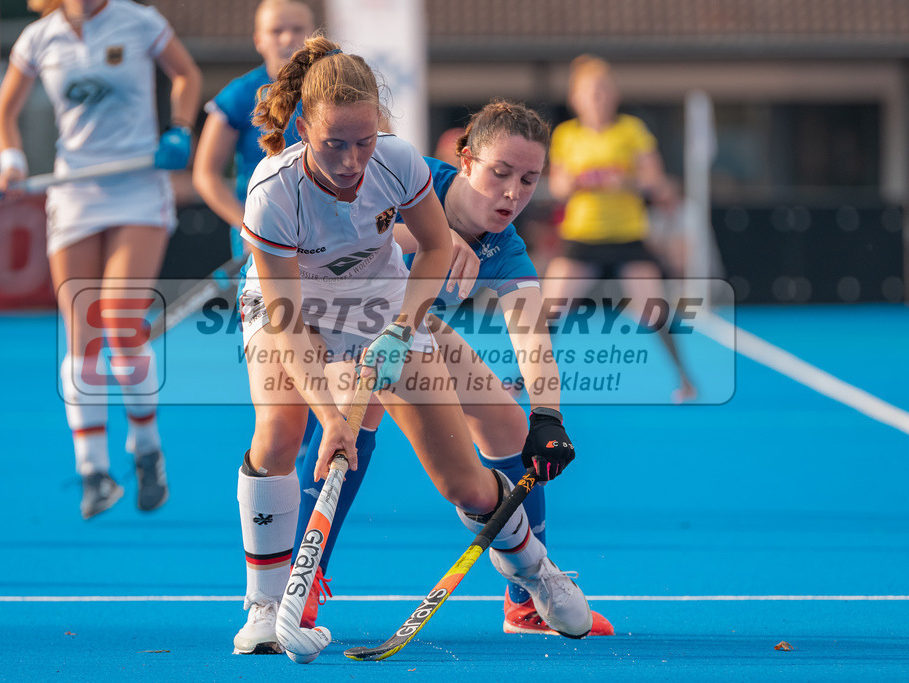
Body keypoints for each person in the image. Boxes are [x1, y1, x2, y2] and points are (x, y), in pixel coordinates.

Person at [232, 34, 592, 655]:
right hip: (289, 305)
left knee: (468, 484)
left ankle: (533, 573)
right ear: (303, 130)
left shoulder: (400, 165)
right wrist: (331, 413)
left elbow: (435, 251)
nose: (350, 162)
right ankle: (271, 603)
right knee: (284, 430)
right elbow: (289, 321)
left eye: (363, 144)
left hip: (383, 303)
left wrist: (401, 332)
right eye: (333, 145)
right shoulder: (272, 193)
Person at [293, 100, 614, 637]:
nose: (513, 192)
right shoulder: (407, 174)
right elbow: (347, 221)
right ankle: (300, 585)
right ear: (465, 160)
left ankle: (523, 602)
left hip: (406, 324)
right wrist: (435, 238)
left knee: (511, 425)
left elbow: (533, 339)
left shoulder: (507, 251)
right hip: (324, 310)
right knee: (353, 419)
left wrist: (549, 416)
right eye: (500, 173)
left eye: (530, 179)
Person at [0, 0, 202, 519]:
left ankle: (147, 449)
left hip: (137, 186)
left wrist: (179, 128)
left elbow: (187, 75)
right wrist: (12, 162)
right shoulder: (38, 38)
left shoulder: (139, 21)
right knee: (81, 332)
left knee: (120, 319)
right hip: (75, 191)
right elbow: (4, 115)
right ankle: (93, 471)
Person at [542, 55, 696, 403]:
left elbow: (654, 180)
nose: (597, 98)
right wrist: (583, 183)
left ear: (613, 95)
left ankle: (685, 380)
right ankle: (527, 380)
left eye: (603, 90)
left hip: (627, 236)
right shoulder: (566, 135)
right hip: (581, 236)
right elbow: (559, 188)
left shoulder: (631, 131)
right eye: (589, 92)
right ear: (575, 98)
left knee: (654, 310)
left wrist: (621, 180)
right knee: (549, 309)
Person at [192, 0, 315, 262]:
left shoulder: (336, 88)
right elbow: (205, 175)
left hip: (327, 225)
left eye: (297, 28)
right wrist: (246, 226)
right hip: (261, 230)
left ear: (313, 35)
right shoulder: (239, 94)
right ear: (259, 40)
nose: (288, 37)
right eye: (276, 30)